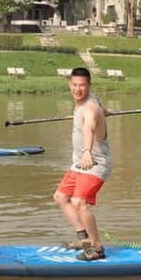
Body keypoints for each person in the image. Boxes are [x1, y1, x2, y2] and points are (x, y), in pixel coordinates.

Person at [53, 67, 113, 261]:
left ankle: (97, 248)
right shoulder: (88, 103)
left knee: (79, 202)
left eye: (82, 86)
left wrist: (87, 151)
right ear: (69, 85)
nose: (78, 89)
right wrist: (104, 112)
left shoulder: (90, 108)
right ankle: (84, 238)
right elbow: (98, 111)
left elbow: (88, 128)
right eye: (75, 85)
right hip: (79, 163)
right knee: (61, 197)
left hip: (95, 163)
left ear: (89, 86)